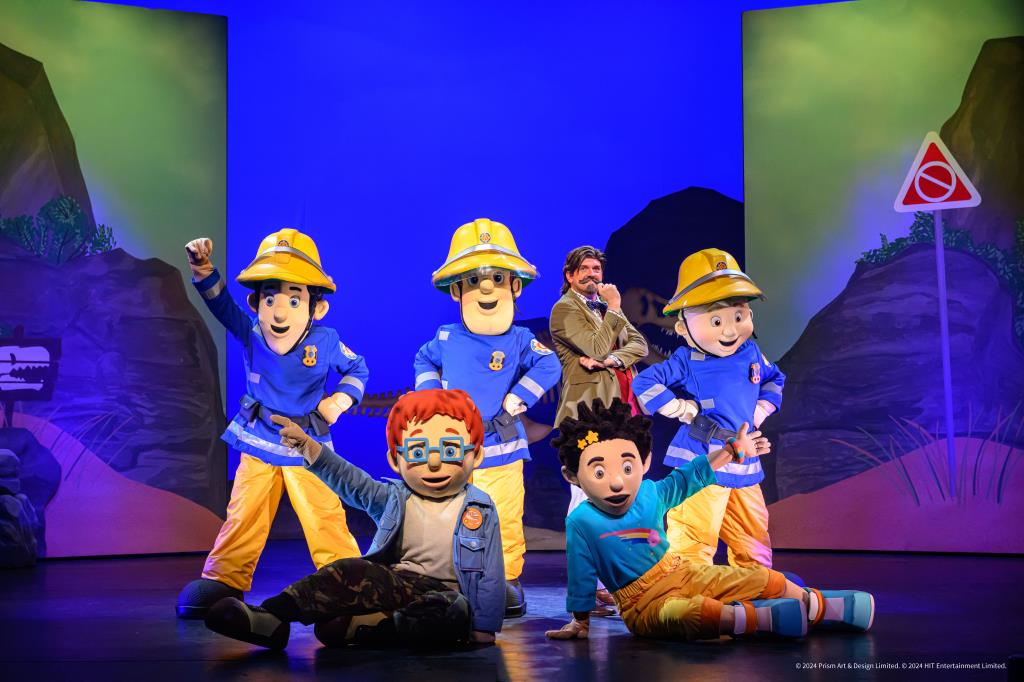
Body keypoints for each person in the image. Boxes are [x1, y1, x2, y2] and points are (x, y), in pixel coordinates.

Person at [544, 399, 874, 641]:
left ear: (644, 463)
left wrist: (732, 450)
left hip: (681, 572)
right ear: (573, 476)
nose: (616, 482)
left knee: (761, 577)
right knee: (692, 613)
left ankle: (820, 607)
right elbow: (581, 574)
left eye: (626, 467)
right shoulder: (582, 521)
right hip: (641, 603)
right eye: (599, 472)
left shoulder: (649, 493)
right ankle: (759, 618)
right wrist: (580, 621)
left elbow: (693, 474)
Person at [203, 389, 505, 649]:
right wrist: (308, 446)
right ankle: (271, 618)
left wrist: (485, 626)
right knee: (348, 568)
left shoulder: (479, 508)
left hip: (446, 595)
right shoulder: (394, 498)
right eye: (418, 451)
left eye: (450, 450)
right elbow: (352, 482)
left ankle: (373, 628)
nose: (435, 462)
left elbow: (491, 571)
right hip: (398, 584)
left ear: (475, 456)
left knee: (450, 612)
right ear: (395, 459)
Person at [176, 230, 367, 618]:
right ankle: (225, 576)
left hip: (307, 444)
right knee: (245, 509)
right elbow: (221, 305)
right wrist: (203, 268)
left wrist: (339, 401)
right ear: (256, 302)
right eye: (269, 298)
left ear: (316, 308)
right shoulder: (252, 334)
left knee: (323, 514)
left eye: (294, 300)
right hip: (260, 439)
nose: (279, 313)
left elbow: (358, 369)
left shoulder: (326, 341)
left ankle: (347, 580)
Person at [414, 218, 562, 618]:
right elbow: (423, 358)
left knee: (504, 513)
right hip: (453, 447)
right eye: (474, 279)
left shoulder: (519, 339)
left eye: (497, 278)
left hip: (501, 445)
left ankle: (507, 578)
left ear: (514, 286)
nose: (485, 288)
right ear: (456, 289)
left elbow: (550, 365)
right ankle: (448, 580)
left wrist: (519, 396)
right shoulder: (446, 337)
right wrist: (433, 395)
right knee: (448, 514)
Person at [632, 248, 783, 568]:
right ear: (683, 328)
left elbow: (774, 379)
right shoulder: (688, 360)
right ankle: (689, 592)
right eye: (716, 320)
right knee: (693, 537)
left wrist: (760, 412)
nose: (729, 330)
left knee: (753, 539)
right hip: (702, 457)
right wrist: (680, 409)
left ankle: (755, 586)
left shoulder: (751, 352)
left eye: (738, 317)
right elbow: (644, 382)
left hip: (744, 460)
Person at [548, 245, 647, 612]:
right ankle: (585, 588)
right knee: (583, 499)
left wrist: (612, 359)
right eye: (585, 269)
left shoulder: (604, 309)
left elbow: (639, 345)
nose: (593, 275)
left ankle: (605, 584)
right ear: (570, 275)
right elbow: (595, 344)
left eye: (597, 269)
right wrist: (615, 312)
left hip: (615, 415)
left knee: (610, 499)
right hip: (583, 416)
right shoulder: (564, 310)